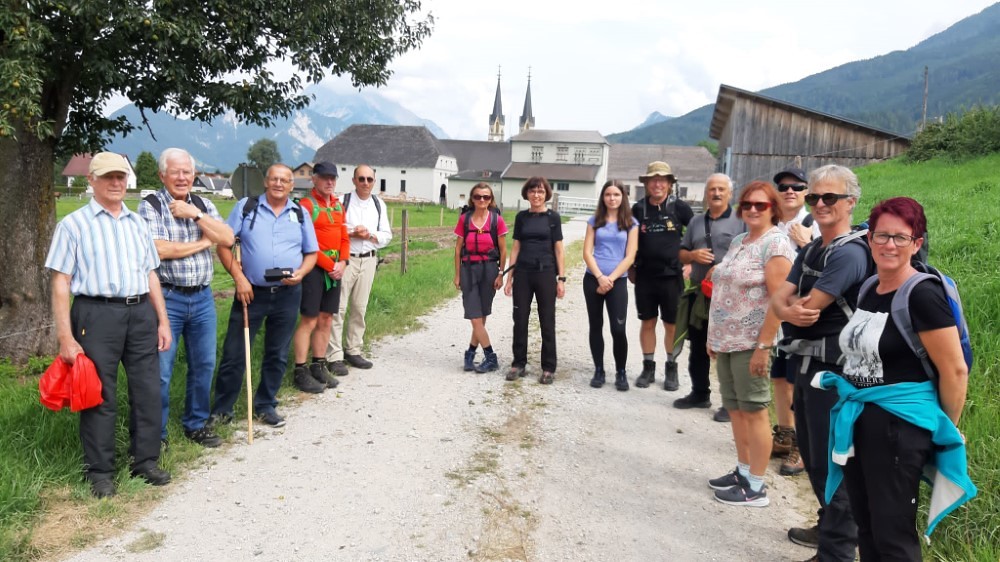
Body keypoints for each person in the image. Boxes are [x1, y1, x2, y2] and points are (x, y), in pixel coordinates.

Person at [817, 197, 973, 561]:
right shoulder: (870, 287)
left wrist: (944, 430)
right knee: (867, 527)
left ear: (916, 244)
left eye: (901, 237)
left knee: (893, 536)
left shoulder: (923, 294)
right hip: (861, 420)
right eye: (882, 236)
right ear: (869, 239)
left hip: (900, 428)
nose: (890, 245)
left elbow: (955, 370)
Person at [45, 152, 173, 498]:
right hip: (96, 315)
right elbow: (60, 282)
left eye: (121, 177)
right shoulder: (73, 225)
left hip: (140, 312)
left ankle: (145, 461)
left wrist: (162, 321)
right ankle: (100, 472)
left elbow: (151, 274)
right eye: (108, 177)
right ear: (92, 180)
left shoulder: (137, 224)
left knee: (148, 389)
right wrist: (65, 337)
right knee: (98, 393)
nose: (116, 183)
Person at [773, 164, 867, 562]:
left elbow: (808, 308)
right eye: (814, 197)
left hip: (837, 374)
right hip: (809, 366)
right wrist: (787, 309)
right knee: (813, 458)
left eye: (830, 197)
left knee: (834, 463)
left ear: (851, 202)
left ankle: (838, 553)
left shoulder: (850, 254)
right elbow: (780, 301)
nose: (820, 203)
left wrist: (789, 308)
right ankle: (828, 531)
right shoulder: (812, 249)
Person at [706, 181, 795, 508]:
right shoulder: (740, 241)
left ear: (773, 209)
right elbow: (724, 290)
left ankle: (755, 486)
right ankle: (743, 472)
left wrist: (763, 347)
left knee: (754, 411)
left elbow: (779, 301)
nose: (753, 210)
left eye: (761, 205)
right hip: (727, 341)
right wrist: (713, 336)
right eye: (747, 204)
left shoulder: (776, 245)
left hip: (752, 343)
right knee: (736, 410)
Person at [139, 148, 234, 449]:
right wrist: (204, 243)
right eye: (175, 172)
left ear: (194, 175)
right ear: (162, 175)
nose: (182, 177)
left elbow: (228, 238)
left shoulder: (203, 204)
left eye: (187, 172)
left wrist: (195, 215)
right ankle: (157, 435)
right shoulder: (151, 206)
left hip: (203, 298)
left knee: (204, 364)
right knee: (161, 371)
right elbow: (159, 250)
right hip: (168, 298)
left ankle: (196, 424)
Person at [211, 164, 318, 428]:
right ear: (266, 182)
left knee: (277, 353)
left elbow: (311, 253)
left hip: (288, 294)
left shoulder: (300, 213)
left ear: (291, 185)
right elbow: (223, 245)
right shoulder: (246, 208)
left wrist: (301, 273)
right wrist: (239, 279)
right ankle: (222, 410)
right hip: (251, 292)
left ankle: (266, 405)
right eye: (274, 179)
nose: (279, 184)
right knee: (235, 353)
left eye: (284, 180)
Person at [675, 173, 745, 415]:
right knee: (697, 346)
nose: (716, 193)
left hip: (730, 295)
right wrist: (692, 256)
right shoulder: (696, 222)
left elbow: (751, 254)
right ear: (706, 193)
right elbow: (681, 253)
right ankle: (699, 393)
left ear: (730, 193)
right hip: (700, 295)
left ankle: (730, 403)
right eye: (712, 189)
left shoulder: (741, 221)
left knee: (727, 349)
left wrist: (724, 267)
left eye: (721, 189)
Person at [770, 166, 821, 477]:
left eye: (797, 187)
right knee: (778, 377)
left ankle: (803, 446)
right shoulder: (772, 223)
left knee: (797, 381)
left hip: (804, 313)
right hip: (776, 315)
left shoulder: (814, 224)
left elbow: (830, 267)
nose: (790, 191)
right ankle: (785, 435)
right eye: (784, 187)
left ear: (807, 193)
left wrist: (806, 243)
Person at [631, 161, 694, 391]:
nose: (657, 184)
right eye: (653, 180)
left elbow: (696, 235)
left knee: (671, 325)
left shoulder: (680, 208)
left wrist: (691, 263)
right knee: (647, 322)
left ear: (669, 183)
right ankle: (648, 367)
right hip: (645, 276)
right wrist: (630, 267)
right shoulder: (638, 209)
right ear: (647, 183)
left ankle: (671, 368)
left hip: (672, 276)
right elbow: (629, 241)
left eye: (662, 180)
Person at [325, 165, 392, 374]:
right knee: (338, 308)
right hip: (346, 260)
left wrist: (370, 235)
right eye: (361, 179)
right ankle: (334, 355)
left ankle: (353, 349)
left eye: (369, 179)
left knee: (359, 308)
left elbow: (386, 235)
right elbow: (331, 229)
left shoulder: (378, 204)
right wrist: (353, 233)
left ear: (374, 182)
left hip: (369, 260)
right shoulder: (341, 201)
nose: (365, 183)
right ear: (354, 180)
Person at [290, 161, 350, 393]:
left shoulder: (338, 206)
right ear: (314, 179)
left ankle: (319, 364)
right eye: (324, 177)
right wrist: (331, 265)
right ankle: (300, 369)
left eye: (333, 178)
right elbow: (307, 242)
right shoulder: (306, 205)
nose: (329, 182)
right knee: (309, 319)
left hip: (335, 268)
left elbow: (344, 237)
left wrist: (343, 262)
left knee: (326, 318)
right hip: (314, 268)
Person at [503, 177, 566, 384]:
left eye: (540, 191)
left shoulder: (553, 218)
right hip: (523, 273)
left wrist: (561, 279)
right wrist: (509, 278)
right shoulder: (521, 217)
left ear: (546, 194)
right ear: (527, 194)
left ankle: (548, 367)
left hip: (545, 273)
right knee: (520, 319)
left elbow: (559, 249)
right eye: (532, 191)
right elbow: (515, 248)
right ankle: (518, 363)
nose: (536, 195)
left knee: (547, 320)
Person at [582, 180, 638, 391]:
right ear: (603, 197)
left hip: (618, 282)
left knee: (618, 328)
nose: (612, 198)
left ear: (623, 197)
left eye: (616, 194)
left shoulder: (631, 223)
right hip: (593, 280)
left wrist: (610, 279)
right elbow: (587, 252)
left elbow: (630, 256)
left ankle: (621, 372)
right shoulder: (594, 221)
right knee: (596, 326)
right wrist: (599, 277)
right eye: (608, 194)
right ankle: (599, 370)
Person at [453, 182, 508, 373]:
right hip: (468, 269)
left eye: (486, 197)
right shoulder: (464, 219)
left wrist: (501, 273)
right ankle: (491, 357)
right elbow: (458, 249)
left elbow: (503, 250)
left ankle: (470, 353)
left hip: (489, 270)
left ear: (491, 199)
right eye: (478, 196)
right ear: (472, 199)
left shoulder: (496, 220)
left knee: (481, 315)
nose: (482, 200)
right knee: (475, 317)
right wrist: (457, 274)